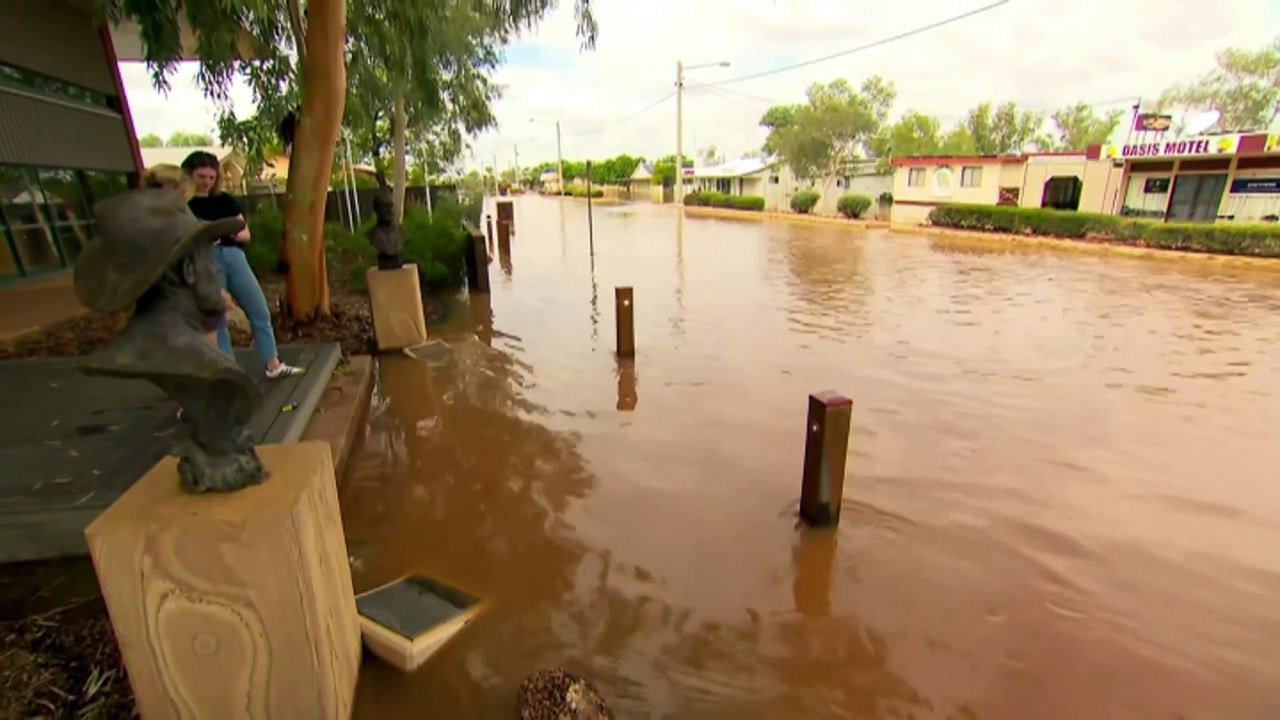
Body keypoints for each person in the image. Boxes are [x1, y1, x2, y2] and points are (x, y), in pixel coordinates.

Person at [180, 151, 303, 379]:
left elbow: (244, 232)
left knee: (258, 308)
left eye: (211, 177)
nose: (207, 181)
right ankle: (231, 372)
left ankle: (272, 363)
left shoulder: (225, 200)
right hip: (207, 259)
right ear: (189, 176)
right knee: (219, 317)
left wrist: (224, 232)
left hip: (235, 256)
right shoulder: (184, 206)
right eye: (201, 176)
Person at [142, 164, 231, 346]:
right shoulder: (163, 223)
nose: (181, 192)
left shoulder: (173, 217)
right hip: (177, 300)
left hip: (181, 299)